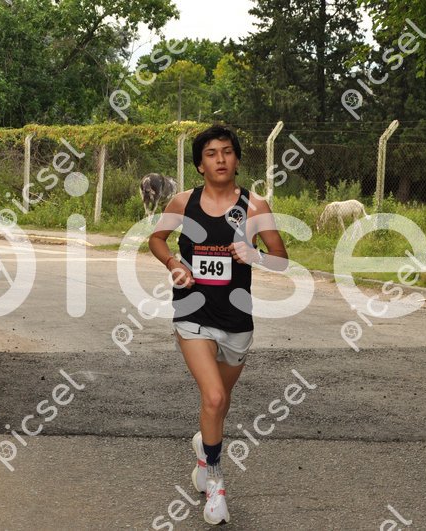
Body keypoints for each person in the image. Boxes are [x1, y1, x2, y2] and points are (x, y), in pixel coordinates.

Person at [148, 125, 288, 525]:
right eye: (211, 153)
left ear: (237, 159)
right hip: (192, 314)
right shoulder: (183, 201)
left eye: (227, 151)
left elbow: (281, 259)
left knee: (220, 402)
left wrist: (254, 255)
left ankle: (203, 448)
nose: (220, 159)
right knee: (212, 399)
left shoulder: (254, 206)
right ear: (199, 164)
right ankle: (215, 483)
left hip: (237, 320)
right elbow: (157, 239)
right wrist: (174, 264)